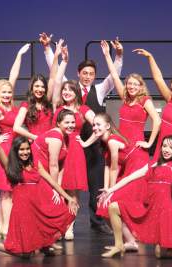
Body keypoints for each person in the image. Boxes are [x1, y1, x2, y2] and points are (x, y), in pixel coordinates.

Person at [39, 32, 123, 234]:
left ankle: (97, 220)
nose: (87, 76)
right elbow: (56, 74)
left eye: (91, 74)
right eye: (84, 73)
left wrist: (117, 56)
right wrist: (49, 50)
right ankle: (66, 221)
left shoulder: (101, 89)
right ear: (78, 74)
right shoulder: (69, 90)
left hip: (92, 145)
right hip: (69, 145)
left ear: (94, 75)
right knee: (68, 184)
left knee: (96, 184)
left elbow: (115, 75)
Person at [98, 107, 172, 258]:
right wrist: (110, 190)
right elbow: (130, 177)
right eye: (164, 146)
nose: (167, 150)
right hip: (147, 209)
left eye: (171, 147)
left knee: (161, 254)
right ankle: (119, 245)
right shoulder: (151, 165)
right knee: (113, 207)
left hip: (164, 213)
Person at [0, 123, 78, 258]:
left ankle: (44, 246)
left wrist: (67, 197)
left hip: (38, 207)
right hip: (22, 210)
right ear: (16, 150)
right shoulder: (9, 165)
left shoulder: (35, 164)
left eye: (27, 149)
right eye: (21, 150)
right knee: (23, 253)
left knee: (65, 215)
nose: (25, 152)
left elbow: (51, 181)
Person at [134, 48, 172, 240]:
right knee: (156, 186)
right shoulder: (169, 101)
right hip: (164, 151)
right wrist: (151, 58)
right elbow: (158, 79)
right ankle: (160, 223)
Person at [78, 113, 149, 250]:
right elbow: (107, 166)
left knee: (110, 202)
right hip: (130, 170)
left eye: (98, 124)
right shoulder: (105, 143)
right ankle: (127, 240)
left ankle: (131, 241)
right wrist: (106, 188)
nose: (95, 128)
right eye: (94, 125)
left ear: (108, 126)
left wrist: (111, 191)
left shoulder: (112, 141)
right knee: (103, 205)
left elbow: (114, 169)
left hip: (137, 170)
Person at [49, 40, 97, 240]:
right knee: (56, 189)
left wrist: (86, 142)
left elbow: (99, 125)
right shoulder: (57, 105)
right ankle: (56, 225)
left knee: (73, 192)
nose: (66, 91)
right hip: (57, 150)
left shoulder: (83, 109)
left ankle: (69, 226)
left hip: (75, 152)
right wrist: (63, 60)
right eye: (65, 90)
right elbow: (57, 80)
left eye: (70, 90)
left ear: (76, 93)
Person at [0, 43, 30, 239]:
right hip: (4, 149)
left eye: (9, 92)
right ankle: (5, 227)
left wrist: (19, 55)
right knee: (7, 191)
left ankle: (3, 226)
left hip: (15, 150)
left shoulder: (10, 106)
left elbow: (13, 77)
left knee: (8, 191)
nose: (7, 94)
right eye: (3, 92)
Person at [100, 40, 161, 147]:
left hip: (136, 145)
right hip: (122, 142)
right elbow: (114, 75)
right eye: (129, 84)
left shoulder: (144, 100)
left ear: (141, 87)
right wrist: (107, 55)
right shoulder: (125, 98)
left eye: (135, 84)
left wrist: (149, 143)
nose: (132, 87)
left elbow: (157, 120)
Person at [13, 73, 53, 141]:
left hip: (50, 143)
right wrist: (35, 138)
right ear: (32, 87)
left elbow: (53, 78)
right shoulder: (26, 105)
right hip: (36, 144)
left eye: (43, 87)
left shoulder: (48, 104)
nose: (40, 89)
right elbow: (16, 127)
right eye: (37, 86)